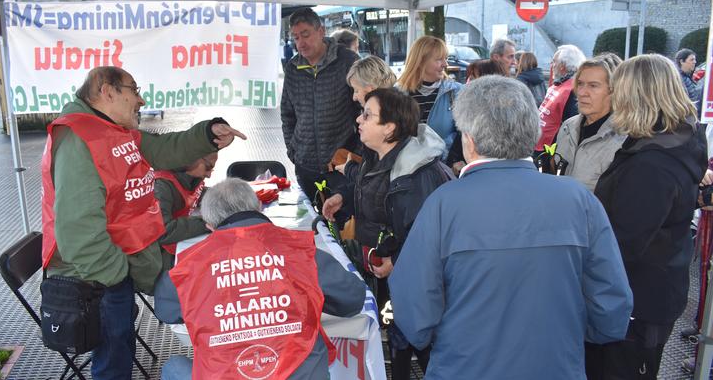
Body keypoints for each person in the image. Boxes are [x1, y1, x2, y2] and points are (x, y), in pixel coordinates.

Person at [389, 75, 633, 380]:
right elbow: (611, 306)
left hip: (464, 367)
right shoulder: (578, 200)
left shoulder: (444, 204)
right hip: (557, 366)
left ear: (469, 140)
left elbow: (414, 310)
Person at [40, 66, 246, 380]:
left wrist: (208, 134)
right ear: (107, 90)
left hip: (115, 268)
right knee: (113, 363)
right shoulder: (80, 137)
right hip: (96, 276)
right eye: (133, 90)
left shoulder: (112, 130)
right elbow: (77, 228)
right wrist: (116, 274)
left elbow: (165, 150)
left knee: (120, 349)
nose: (141, 99)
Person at [157, 178, 366, 380]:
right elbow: (353, 299)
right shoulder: (301, 252)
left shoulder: (191, 265)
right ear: (259, 206)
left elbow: (166, 311)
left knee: (173, 366)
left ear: (210, 225)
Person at [588, 54, 708, 380]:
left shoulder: (651, 164)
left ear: (636, 96)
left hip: (637, 301)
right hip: (656, 289)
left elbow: (622, 244)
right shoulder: (677, 138)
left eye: (618, 91)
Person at [322, 88, 452, 379]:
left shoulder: (416, 175)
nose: (359, 119)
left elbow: (425, 234)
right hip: (386, 270)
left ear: (390, 128)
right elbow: (373, 191)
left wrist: (397, 261)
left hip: (410, 278)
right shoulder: (378, 155)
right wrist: (344, 199)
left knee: (418, 340)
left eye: (368, 115)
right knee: (397, 334)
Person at [281, 7, 361, 202]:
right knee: (312, 217)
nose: (301, 43)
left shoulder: (348, 61)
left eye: (305, 35)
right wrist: (293, 151)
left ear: (321, 31)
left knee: (343, 217)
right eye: (296, 37)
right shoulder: (292, 68)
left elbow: (364, 108)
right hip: (305, 167)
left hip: (341, 165)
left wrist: (356, 152)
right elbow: (287, 114)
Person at [555, 54, 625, 192]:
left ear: (615, 90)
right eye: (580, 84)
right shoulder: (567, 127)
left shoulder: (625, 140)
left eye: (593, 86)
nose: (582, 92)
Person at [396, 35, 463, 155]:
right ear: (420, 61)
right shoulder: (396, 95)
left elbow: (466, 135)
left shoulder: (457, 92)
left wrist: (455, 160)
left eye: (446, 58)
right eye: (439, 59)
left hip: (445, 164)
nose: (445, 64)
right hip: (406, 164)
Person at [153, 152, 218, 269]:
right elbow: (163, 231)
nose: (209, 175)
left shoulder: (191, 178)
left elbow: (197, 194)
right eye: (208, 167)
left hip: (180, 241)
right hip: (160, 256)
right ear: (192, 159)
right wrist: (210, 222)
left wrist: (226, 196)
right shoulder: (161, 186)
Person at [447, 59, 507, 174]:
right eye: (469, 78)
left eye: (473, 79)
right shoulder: (469, 113)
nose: (468, 83)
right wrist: (456, 163)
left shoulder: (508, 118)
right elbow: (455, 154)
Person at [535, 44, 586, 154]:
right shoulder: (560, 84)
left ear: (562, 65)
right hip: (540, 144)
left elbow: (572, 126)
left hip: (551, 150)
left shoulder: (573, 90)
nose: (551, 65)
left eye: (554, 62)